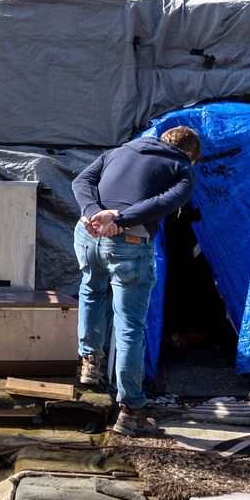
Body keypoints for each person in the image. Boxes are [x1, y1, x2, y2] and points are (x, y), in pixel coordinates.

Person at [71, 125, 201, 436]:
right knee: (129, 323)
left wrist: (93, 213)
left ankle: (90, 362)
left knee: (90, 290)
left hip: (86, 234)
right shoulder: (182, 167)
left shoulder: (119, 150)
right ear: (191, 155)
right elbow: (165, 203)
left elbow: (81, 180)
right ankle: (130, 412)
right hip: (128, 242)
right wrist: (119, 219)